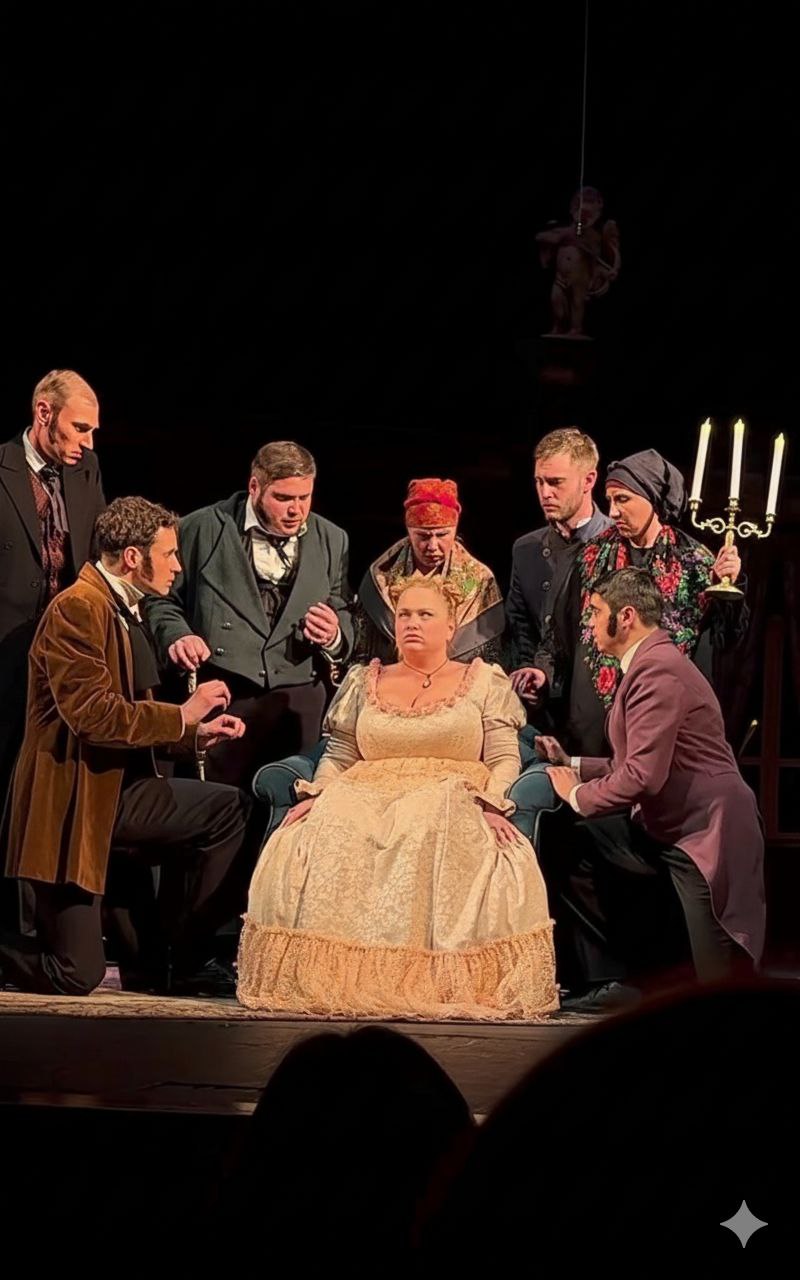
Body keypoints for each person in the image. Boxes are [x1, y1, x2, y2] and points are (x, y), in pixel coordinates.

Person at [238, 573, 558, 1020]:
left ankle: (432, 979)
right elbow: (341, 752)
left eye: (425, 614)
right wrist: (317, 794)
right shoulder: (363, 680)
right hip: (364, 791)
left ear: (451, 626)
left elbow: (504, 756)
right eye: (404, 614)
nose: (412, 623)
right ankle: (340, 979)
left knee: (428, 820)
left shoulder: (483, 681)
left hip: (450, 793)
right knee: (313, 832)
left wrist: (493, 803)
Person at [0, 498, 256, 998]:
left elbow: (130, 716)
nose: (178, 567)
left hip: (116, 795)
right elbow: (92, 715)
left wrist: (193, 735)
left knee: (228, 809)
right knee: (76, 973)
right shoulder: (78, 607)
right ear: (134, 557)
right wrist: (182, 714)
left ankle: (182, 954)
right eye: (169, 554)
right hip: (76, 808)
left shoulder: (122, 609)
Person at [541, 568, 764, 1011]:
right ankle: (624, 976)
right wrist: (573, 764)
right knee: (573, 839)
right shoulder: (647, 664)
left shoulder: (658, 670)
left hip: (705, 829)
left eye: (596, 613)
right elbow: (637, 761)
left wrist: (577, 795)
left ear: (625, 617)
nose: (589, 624)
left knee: (720, 986)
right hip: (668, 825)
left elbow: (643, 776)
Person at [146, 441, 354, 786]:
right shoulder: (202, 528)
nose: (296, 510)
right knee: (224, 801)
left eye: (304, 498)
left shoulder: (333, 538)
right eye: (283, 498)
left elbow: (343, 607)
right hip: (227, 688)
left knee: (292, 798)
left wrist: (335, 635)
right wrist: (178, 635)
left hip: (298, 696)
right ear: (254, 487)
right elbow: (160, 599)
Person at [536, 447, 748, 755]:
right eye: (610, 500)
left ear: (653, 500)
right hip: (594, 726)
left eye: (623, 499)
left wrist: (728, 585)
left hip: (662, 718)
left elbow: (726, 639)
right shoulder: (591, 557)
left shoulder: (694, 563)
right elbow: (561, 635)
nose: (613, 512)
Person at [0, 370, 106, 839]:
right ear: (44, 413)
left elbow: (96, 552)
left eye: (92, 431)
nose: (88, 441)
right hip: (6, 651)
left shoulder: (86, 468)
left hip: (62, 654)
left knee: (47, 790)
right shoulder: (2, 467)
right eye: (80, 428)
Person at [507, 428, 612, 719]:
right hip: (543, 711)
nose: (545, 493)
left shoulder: (616, 545)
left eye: (555, 482)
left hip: (601, 711)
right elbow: (520, 625)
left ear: (588, 480)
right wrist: (530, 672)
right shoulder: (526, 549)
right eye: (539, 482)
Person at [353, 477, 505, 665]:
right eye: (423, 536)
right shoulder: (381, 575)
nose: (433, 546)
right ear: (409, 531)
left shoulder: (478, 580)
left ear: (455, 530)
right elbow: (362, 650)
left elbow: (491, 657)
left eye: (442, 535)